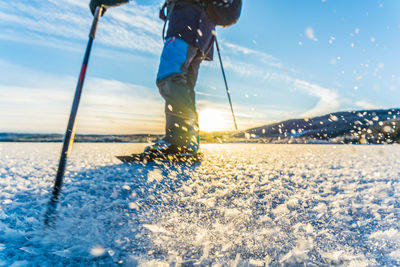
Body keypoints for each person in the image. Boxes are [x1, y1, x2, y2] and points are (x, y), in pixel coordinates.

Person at [89, 0, 241, 157]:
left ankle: (178, 142)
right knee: (185, 86)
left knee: (170, 76)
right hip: (202, 33)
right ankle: (188, 143)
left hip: (186, 25)